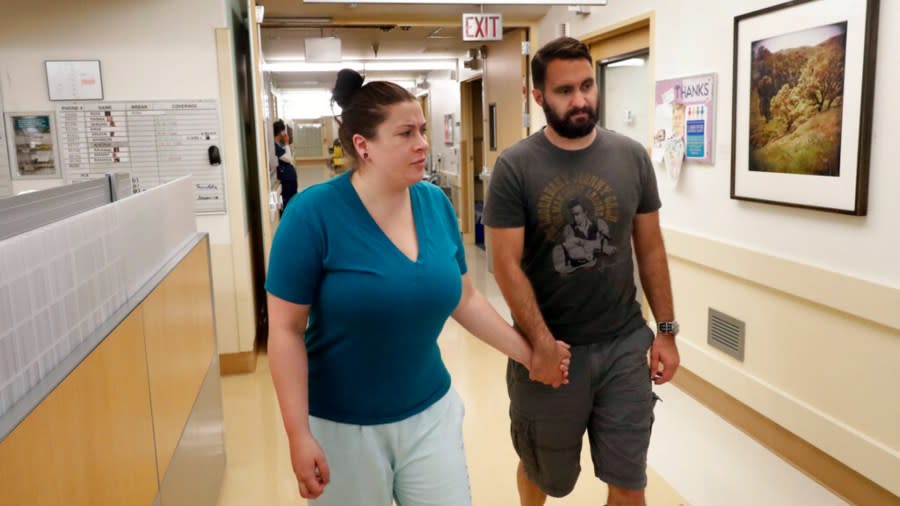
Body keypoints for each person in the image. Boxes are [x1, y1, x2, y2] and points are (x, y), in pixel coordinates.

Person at [265, 68, 571, 506]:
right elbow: (285, 330)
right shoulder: (312, 215)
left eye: (422, 130)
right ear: (362, 146)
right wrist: (298, 434)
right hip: (342, 424)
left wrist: (531, 355)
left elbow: (464, 298)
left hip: (431, 412)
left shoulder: (434, 204)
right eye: (406, 133)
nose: (422, 143)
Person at [483, 37, 680, 506]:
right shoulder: (515, 167)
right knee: (542, 471)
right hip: (552, 350)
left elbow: (650, 249)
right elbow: (505, 265)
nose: (580, 100)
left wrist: (667, 331)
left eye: (587, 85)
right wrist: (541, 345)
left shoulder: (631, 157)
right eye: (565, 90)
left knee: (630, 479)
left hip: (624, 345)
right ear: (538, 97)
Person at [273, 119, 298, 211]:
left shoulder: (278, 145)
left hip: (289, 179)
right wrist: (287, 143)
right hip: (287, 180)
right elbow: (288, 159)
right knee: (288, 202)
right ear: (280, 132)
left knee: (292, 201)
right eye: (283, 131)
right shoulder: (274, 147)